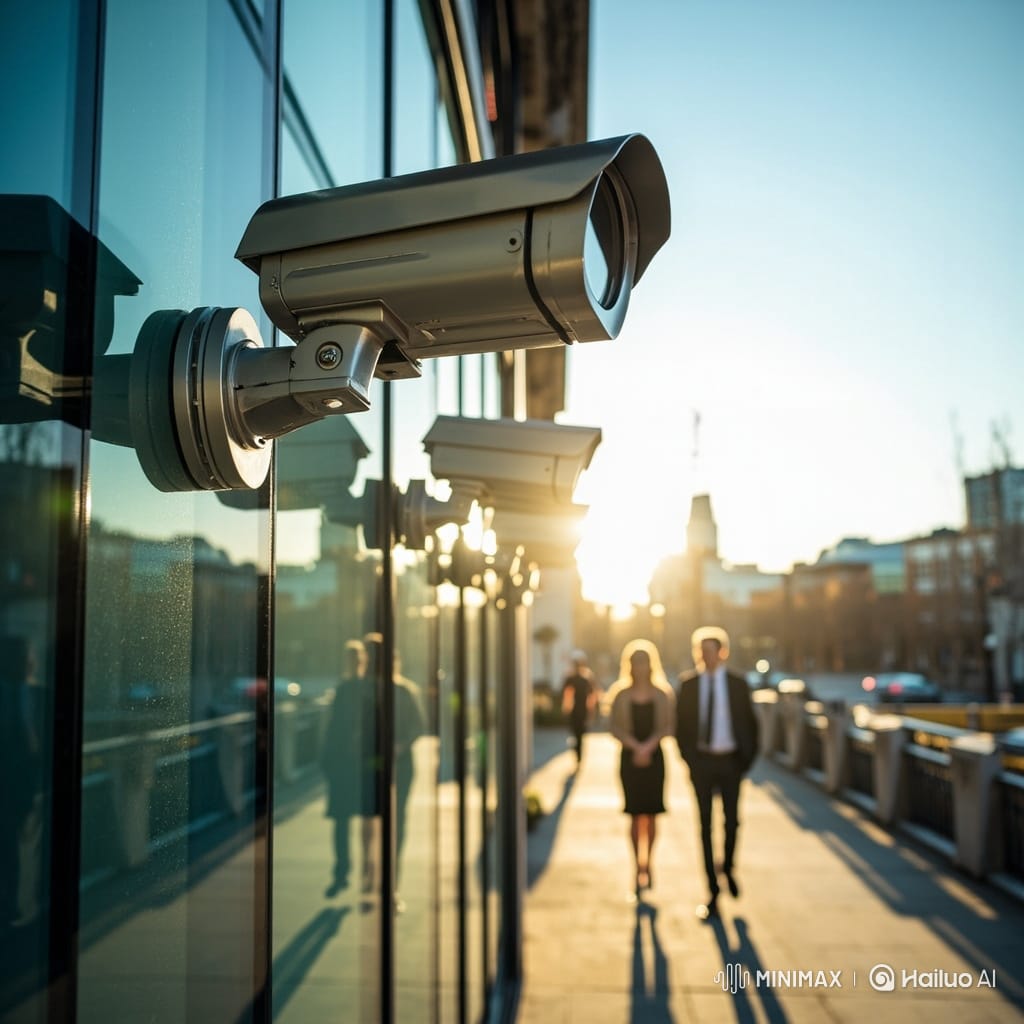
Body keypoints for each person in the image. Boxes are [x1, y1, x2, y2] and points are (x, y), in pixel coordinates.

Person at [675, 626, 759, 920]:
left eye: (710, 651)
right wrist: (689, 759)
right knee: (705, 826)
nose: (705, 657)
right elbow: (681, 728)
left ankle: (729, 868)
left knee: (733, 821)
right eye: (701, 651)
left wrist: (745, 760)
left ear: (722, 653)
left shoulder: (737, 684)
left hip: (731, 762)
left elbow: (751, 724)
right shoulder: (688, 685)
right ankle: (712, 889)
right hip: (702, 763)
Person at [607, 638, 676, 895]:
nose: (640, 667)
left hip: (655, 757)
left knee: (653, 812)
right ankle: (637, 865)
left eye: (644, 662)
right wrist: (635, 746)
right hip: (630, 758)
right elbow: (613, 726)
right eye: (635, 663)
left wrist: (648, 746)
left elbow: (668, 725)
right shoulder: (621, 694)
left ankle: (650, 862)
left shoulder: (662, 694)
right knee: (635, 813)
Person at [321, 639, 379, 898]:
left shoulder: (353, 690)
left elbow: (335, 729)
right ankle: (346, 868)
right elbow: (334, 729)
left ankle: (355, 868)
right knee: (345, 820)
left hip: (353, 763)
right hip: (347, 763)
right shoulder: (351, 689)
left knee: (351, 819)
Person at [560, 649, 596, 765]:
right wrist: (566, 708)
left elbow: (591, 696)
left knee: (580, 734)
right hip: (574, 710)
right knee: (575, 734)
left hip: (583, 710)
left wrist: (591, 712)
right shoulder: (570, 678)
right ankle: (577, 753)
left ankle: (579, 755)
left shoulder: (586, 678)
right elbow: (567, 694)